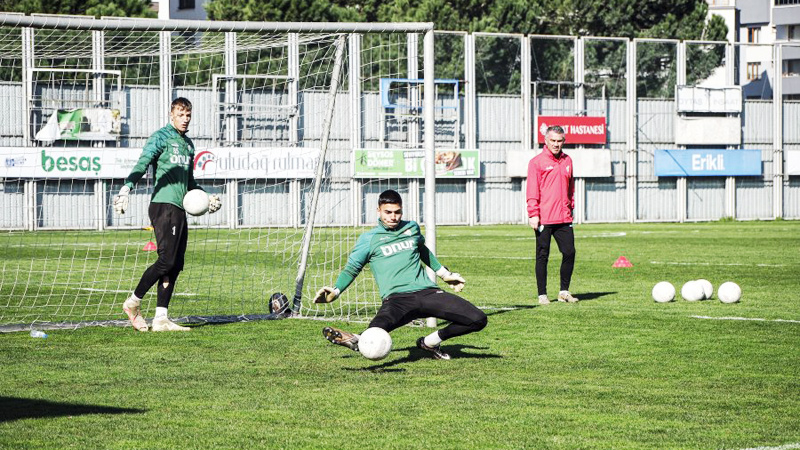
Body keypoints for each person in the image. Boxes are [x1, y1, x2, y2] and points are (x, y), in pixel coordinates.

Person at [315, 189, 487, 360]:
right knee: (375, 332)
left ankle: (429, 342)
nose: (393, 217)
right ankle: (357, 339)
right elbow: (352, 268)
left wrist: (444, 274)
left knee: (477, 319)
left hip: (428, 293)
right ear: (378, 211)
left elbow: (422, 250)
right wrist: (336, 291)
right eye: (388, 212)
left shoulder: (411, 228)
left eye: (397, 212)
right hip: (397, 300)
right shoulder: (369, 239)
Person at [113, 97, 221, 332]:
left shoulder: (189, 145)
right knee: (167, 260)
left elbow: (189, 181)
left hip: (180, 209)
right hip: (163, 206)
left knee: (175, 264)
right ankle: (133, 302)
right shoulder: (160, 137)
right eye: (181, 114)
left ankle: (161, 318)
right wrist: (126, 188)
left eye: (188, 115)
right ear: (171, 115)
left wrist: (206, 197)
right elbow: (142, 164)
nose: (185, 119)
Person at [526, 125, 578, 305]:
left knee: (570, 252)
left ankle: (564, 292)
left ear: (564, 141)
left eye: (559, 141)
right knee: (542, 256)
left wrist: (571, 207)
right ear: (546, 140)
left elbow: (571, 188)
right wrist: (533, 213)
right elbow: (532, 189)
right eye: (553, 140)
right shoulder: (536, 162)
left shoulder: (568, 160)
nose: (556, 144)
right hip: (544, 218)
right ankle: (542, 295)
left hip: (564, 217)